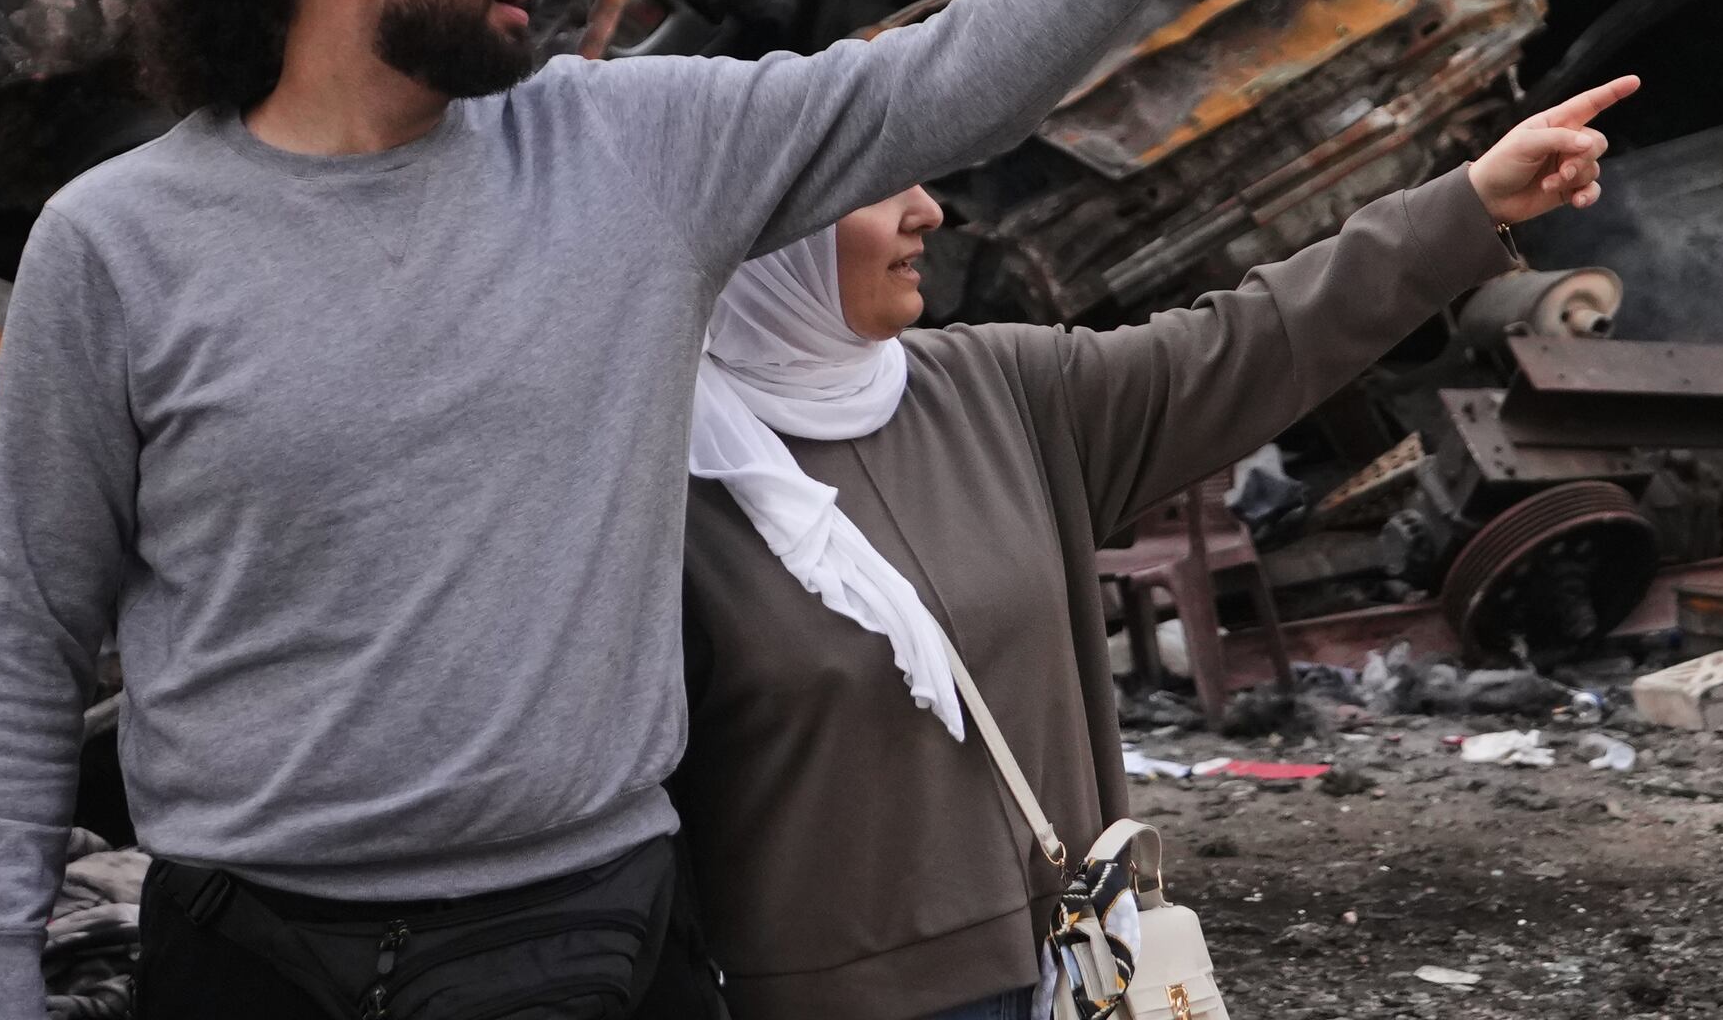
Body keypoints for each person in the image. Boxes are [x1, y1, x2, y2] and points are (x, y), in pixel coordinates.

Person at [0, 0, 1419, 1020]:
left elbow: (951, 82)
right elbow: (22, 642)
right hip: (255, 961)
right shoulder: (118, 243)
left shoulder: (626, 152)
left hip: (578, 938)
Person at [674, 72, 1640, 1020]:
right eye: (880, 188)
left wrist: (1465, 208)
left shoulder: (995, 391)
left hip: (1073, 972)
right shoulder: (656, 485)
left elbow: (1253, 341)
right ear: (767, 230)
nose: (929, 212)